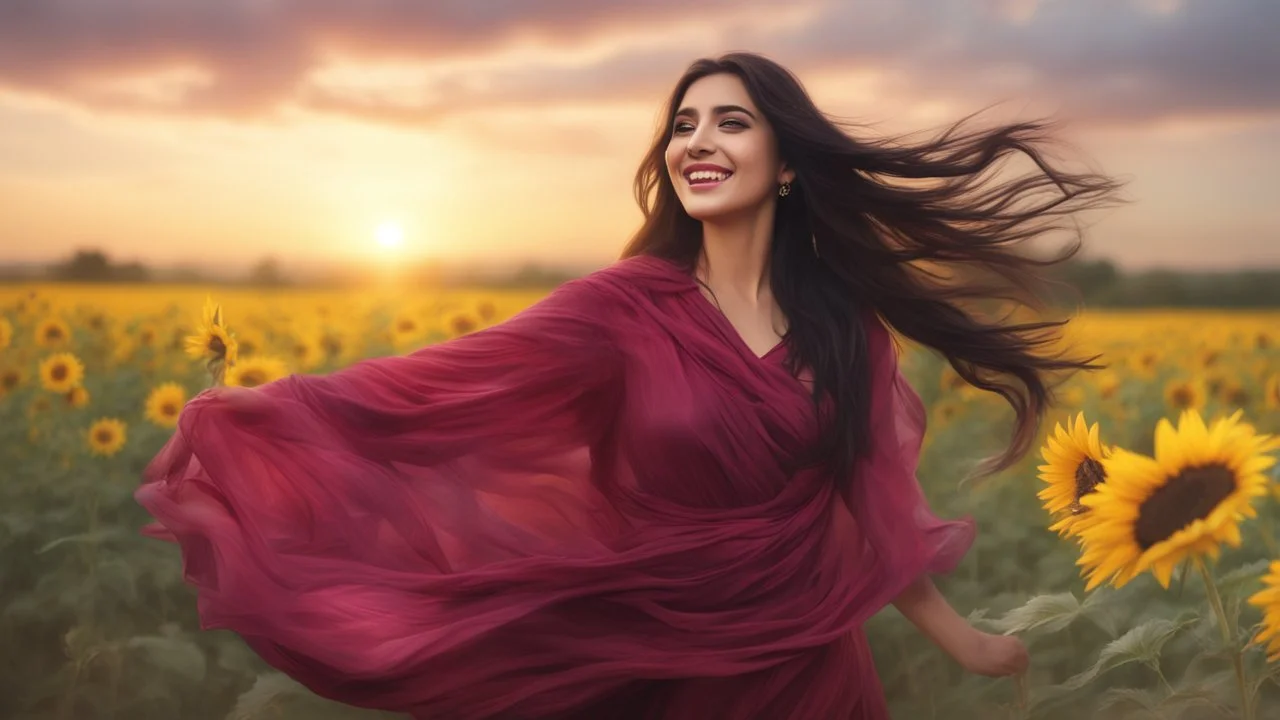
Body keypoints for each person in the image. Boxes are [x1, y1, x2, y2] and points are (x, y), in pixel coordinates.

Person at [136, 52, 1121, 719]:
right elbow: (429, 392)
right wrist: (251, 416)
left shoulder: (840, 328)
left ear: (784, 166)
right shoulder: (618, 308)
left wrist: (964, 643)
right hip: (652, 664)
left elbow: (871, 503)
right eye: (681, 125)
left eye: (729, 123)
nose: (695, 141)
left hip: (810, 674)